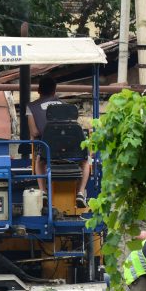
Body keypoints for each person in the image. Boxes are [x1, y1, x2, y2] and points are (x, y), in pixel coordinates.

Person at [26, 77, 92, 209]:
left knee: (39, 160)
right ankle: (80, 192)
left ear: (39, 90)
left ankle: (43, 192)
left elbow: (34, 132)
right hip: (70, 152)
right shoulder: (66, 107)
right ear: (54, 91)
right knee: (86, 161)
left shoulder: (31, 107)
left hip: (48, 153)